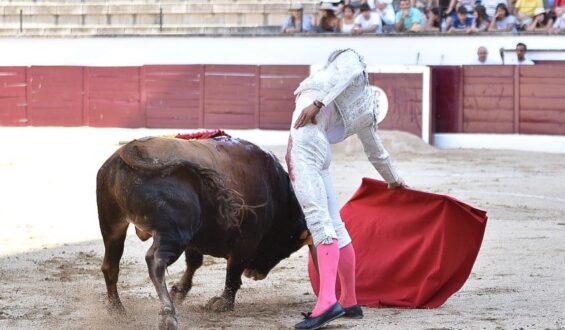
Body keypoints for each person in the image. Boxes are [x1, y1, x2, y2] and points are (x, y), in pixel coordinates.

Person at [286, 48, 405, 330]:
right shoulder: (364, 108)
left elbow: (349, 69)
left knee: (318, 220)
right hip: (321, 148)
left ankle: (327, 301)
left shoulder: (349, 59)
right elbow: (377, 152)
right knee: (336, 226)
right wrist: (394, 179)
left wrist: (318, 102)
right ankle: (349, 300)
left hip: (306, 140)